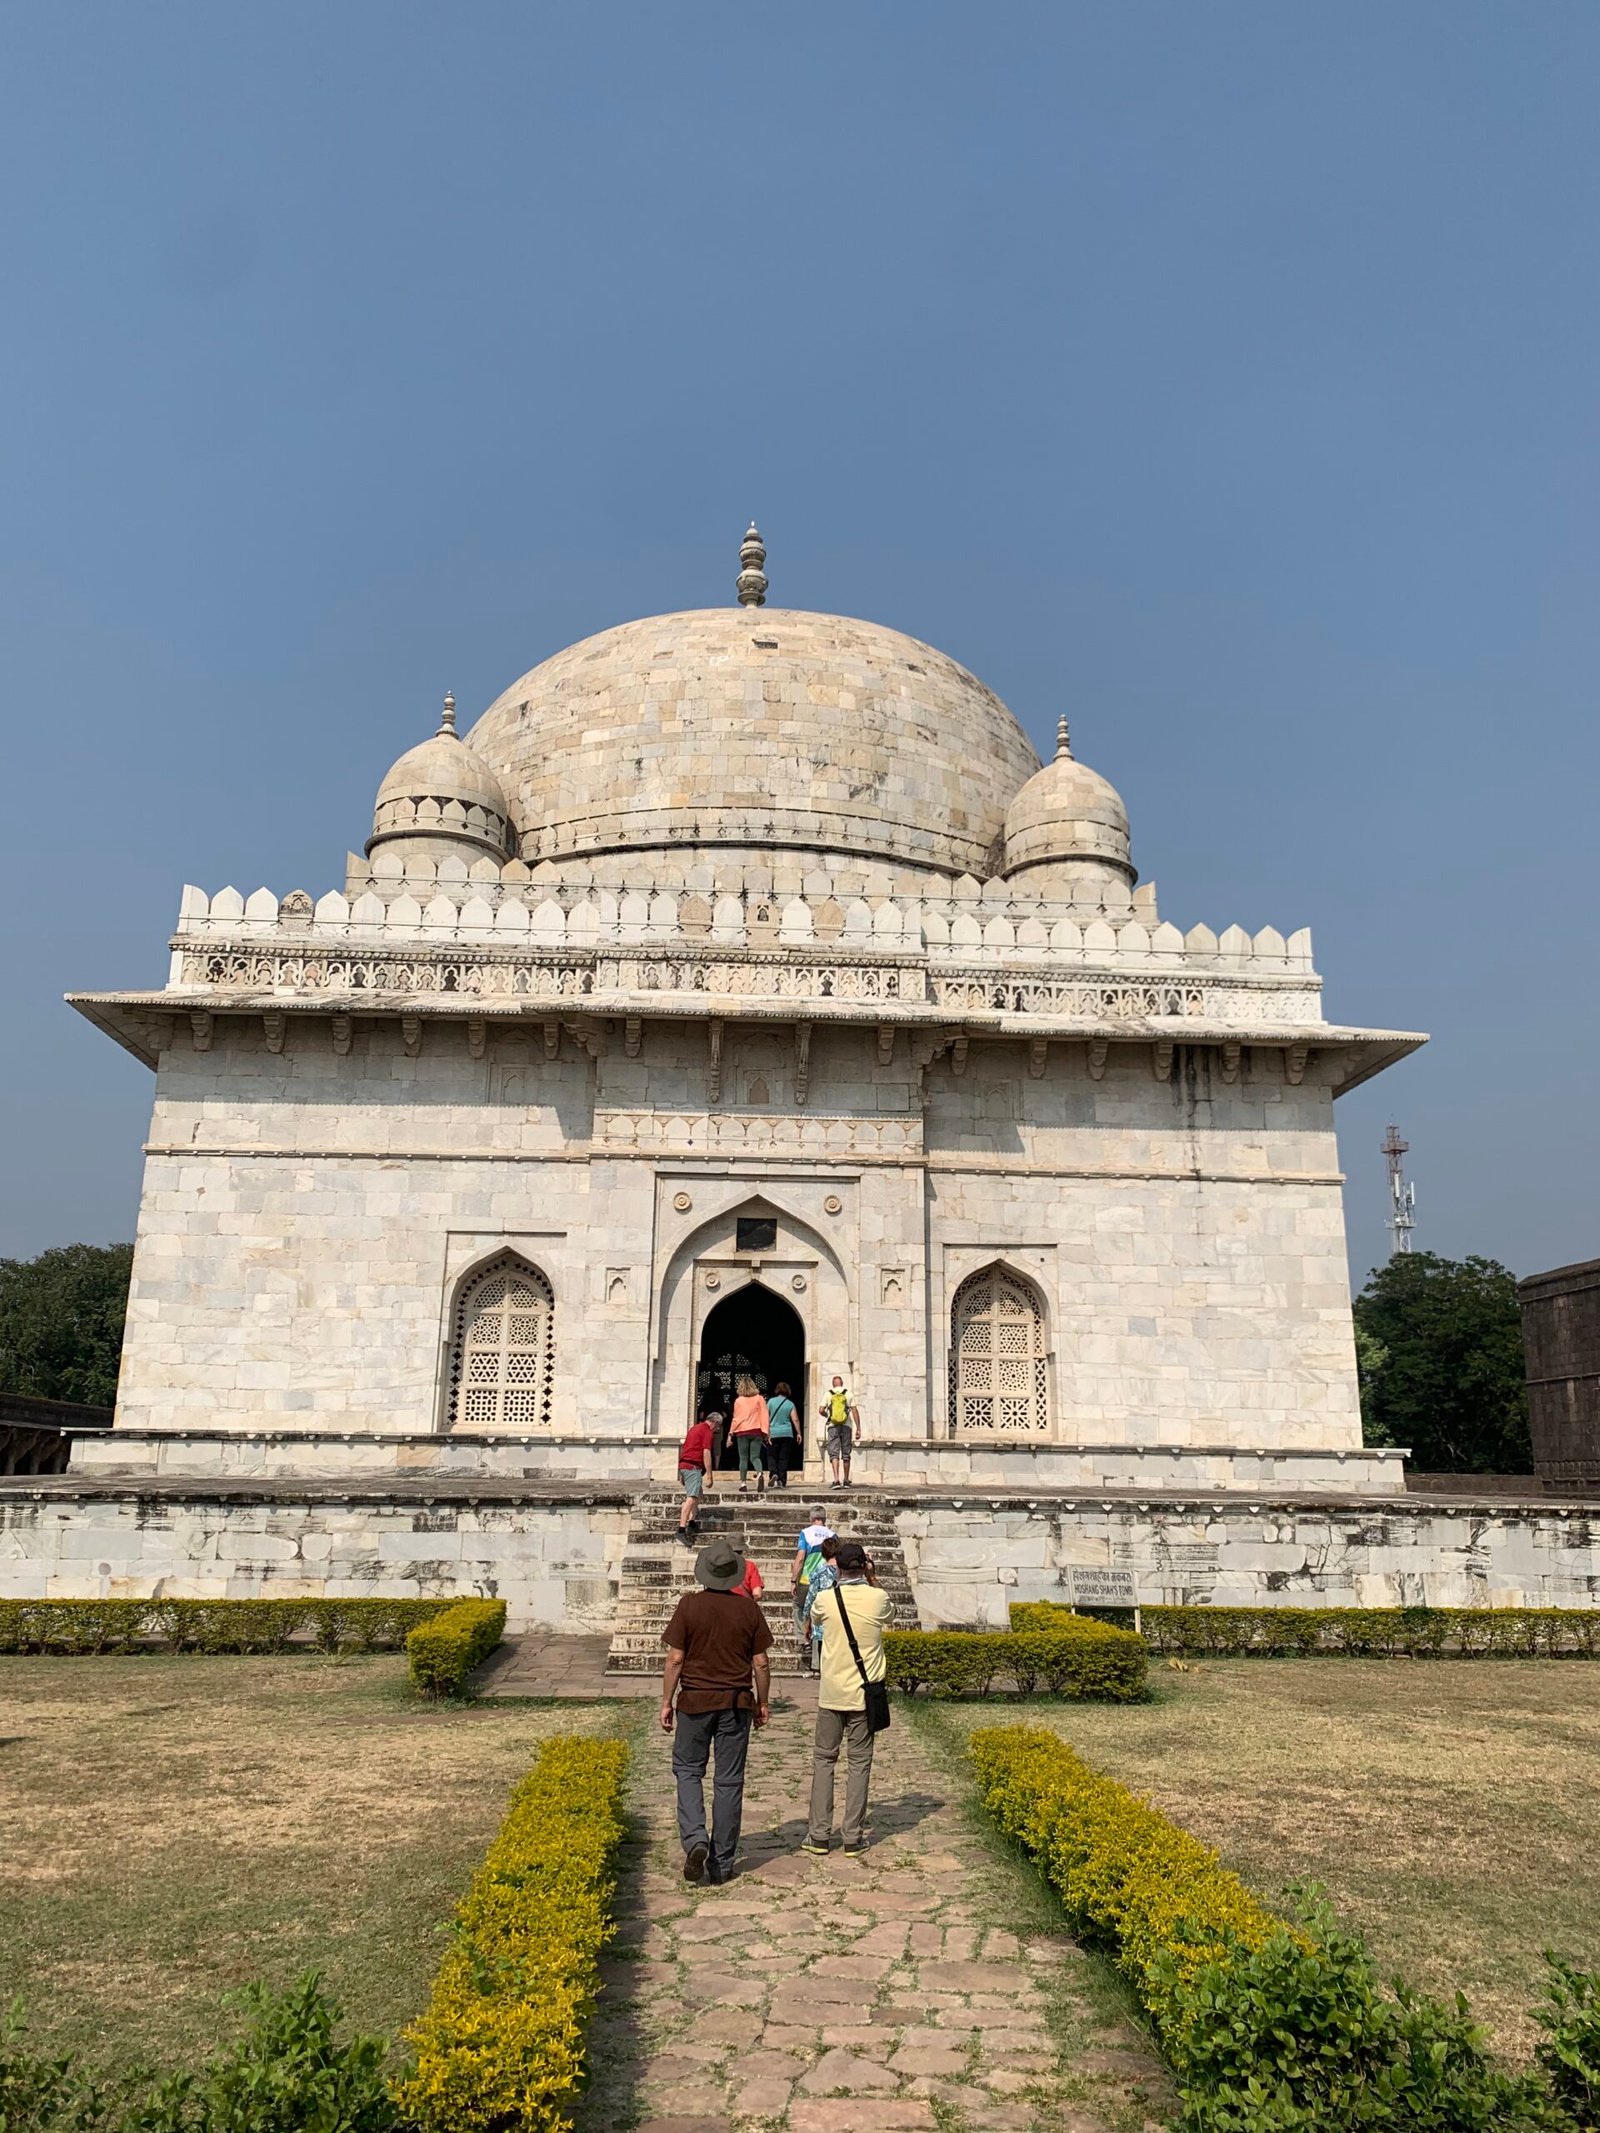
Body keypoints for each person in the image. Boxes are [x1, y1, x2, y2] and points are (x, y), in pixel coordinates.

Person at [661, 1537, 773, 1884]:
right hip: (736, 1701)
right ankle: (722, 1862)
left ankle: (695, 1838)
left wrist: (666, 1700)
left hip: (695, 1700)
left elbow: (675, 1659)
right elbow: (761, 1662)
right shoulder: (748, 1610)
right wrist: (763, 1701)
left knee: (688, 1770)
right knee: (728, 1780)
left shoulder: (689, 1606)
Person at [802, 1540, 890, 1857]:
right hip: (866, 1695)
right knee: (860, 1764)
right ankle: (852, 1835)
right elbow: (888, 1615)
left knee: (824, 1761)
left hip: (833, 1692)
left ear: (837, 1566)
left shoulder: (826, 1599)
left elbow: (815, 1618)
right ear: (863, 1566)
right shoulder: (877, 1597)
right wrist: (873, 1576)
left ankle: (819, 1835)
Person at [790, 1506, 835, 1664]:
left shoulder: (806, 1533)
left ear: (811, 1518)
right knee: (820, 1617)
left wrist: (794, 1579)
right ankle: (818, 1660)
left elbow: (800, 1557)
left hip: (807, 1580)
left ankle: (804, 1640)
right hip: (826, 1580)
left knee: (799, 1606)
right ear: (824, 1518)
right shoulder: (832, 1535)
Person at [677, 1408, 717, 1545]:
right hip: (693, 1467)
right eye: (718, 1426)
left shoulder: (694, 1428)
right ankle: (681, 1529)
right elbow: (706, 1453)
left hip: (685, 1465)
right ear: (715, 1423)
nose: (717, 1430)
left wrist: (681, 1471)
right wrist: (710, 1475)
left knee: (698, 1494)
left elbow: (685, 1447)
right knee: (692, 1498)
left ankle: (692, 1523)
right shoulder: (707, 1431)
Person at [801, 1535, 839, 1672]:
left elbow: (810, 1599)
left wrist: (807, 1621)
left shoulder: (818, 1572)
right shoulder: (844, 1573)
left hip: (822, 1621)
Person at [729, 1374, 771, 1494]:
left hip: (742, 1431)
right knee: (755, 1457)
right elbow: (765, 1416)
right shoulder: (759, 1399)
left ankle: (743, 1484)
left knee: (743, 1458)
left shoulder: (738, 1401)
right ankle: (759, 1473)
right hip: (756, 1431)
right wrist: (766, 1432)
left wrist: (731, 1433)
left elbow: (736, 1418)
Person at [818, 1375, 861, 1488]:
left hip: (833, 1426)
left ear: (833, 1384)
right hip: (846, 1426)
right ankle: (846, 1480)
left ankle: (836, 1480)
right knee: (846, 1453)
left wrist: (829, 1416)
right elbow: (855, 1411)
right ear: (842, 1384)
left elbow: (821, 1410)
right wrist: (858, 1428)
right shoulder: (848, 1394)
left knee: (834, 1453)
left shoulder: (828, 1394)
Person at [765, 1380, 801, 1488]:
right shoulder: (790, 1404)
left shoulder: (771, 1401)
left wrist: (767, 1433)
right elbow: (795, 1419)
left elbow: (766, 1418)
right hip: (787, 1434)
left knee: (771, 1455)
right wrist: (798, 1433)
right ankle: (782, 1480)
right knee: (783, 1458)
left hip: (774, 1433)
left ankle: (773, 1473)